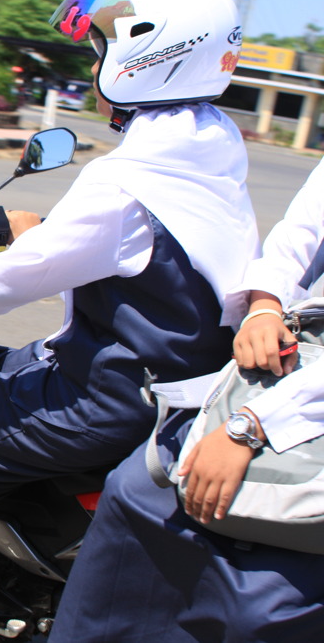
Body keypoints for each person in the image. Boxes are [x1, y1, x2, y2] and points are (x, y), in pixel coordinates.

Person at [0, 0, 261, 642]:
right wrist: (41, 228)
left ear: (148, 51)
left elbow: (18, 280)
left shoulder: (123, 180)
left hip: (117, 393)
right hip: (187, 372)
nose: (98, 58)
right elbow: (137, 239)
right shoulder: (210, 135)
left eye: (105, 45)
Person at [48, 158, 324, 642]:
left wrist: (249, 426)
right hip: (293, 369)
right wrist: (264, 305)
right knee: (135, 486)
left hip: (296, 410)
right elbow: (301, 231)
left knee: (260, 602)